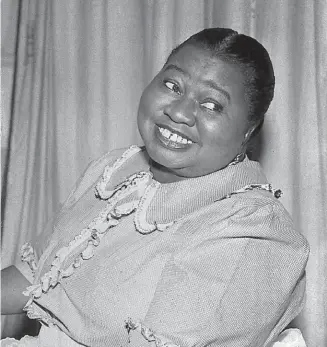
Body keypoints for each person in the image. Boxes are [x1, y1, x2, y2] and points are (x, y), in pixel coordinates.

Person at [1, 27, 309, 347]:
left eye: (212, 105)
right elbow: (37, 276)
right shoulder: (113, 171)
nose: (178, 112)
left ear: (249, 130)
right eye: (173, 85)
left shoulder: (252, 230)